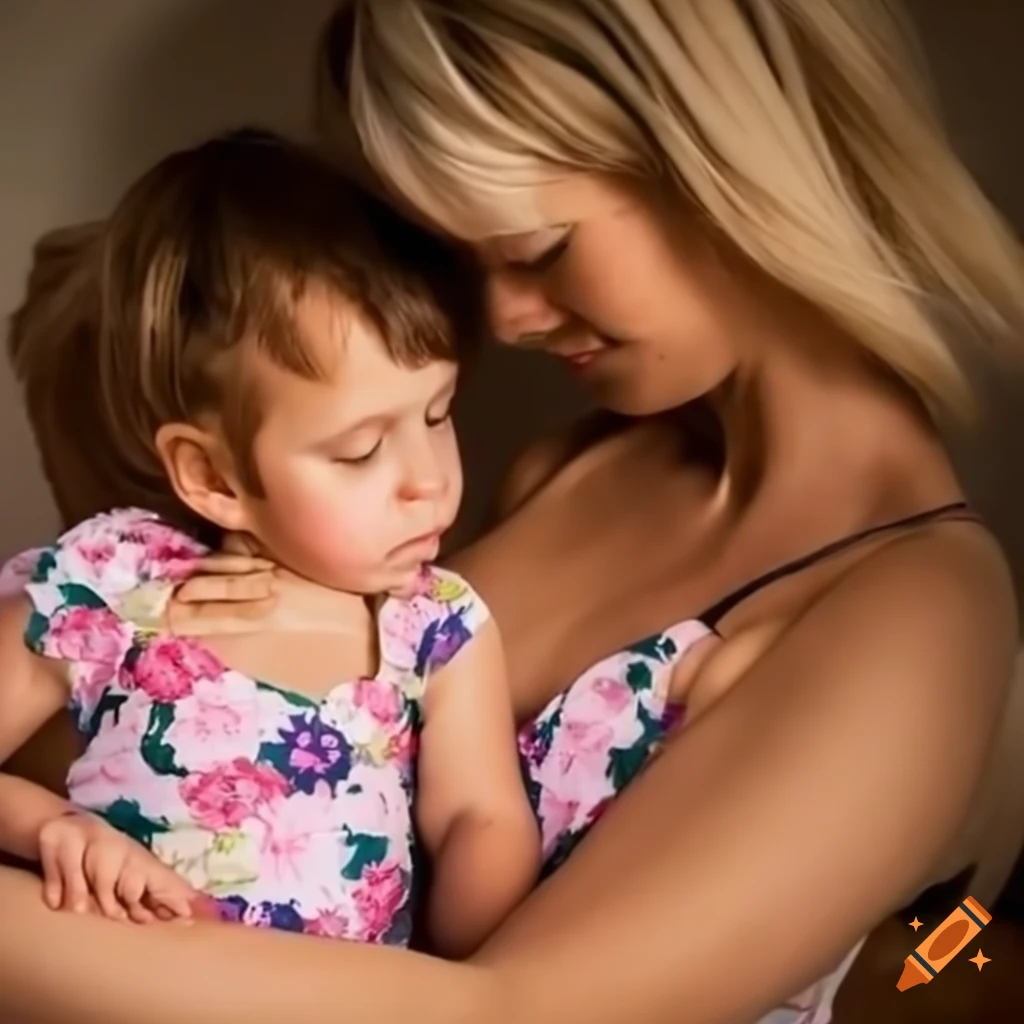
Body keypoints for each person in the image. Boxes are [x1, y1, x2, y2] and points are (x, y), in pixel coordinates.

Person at [1, 1, 1023, 1022]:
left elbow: (517, 1011)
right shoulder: (571, 468)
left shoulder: (917, 610)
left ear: (720, 160)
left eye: (536, 248)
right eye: (468, 262)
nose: (501, 320)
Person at [0, 128, 539, 957]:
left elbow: (482, 817)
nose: (428, 479)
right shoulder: (118, 583)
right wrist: (53, 829)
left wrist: (455, 977)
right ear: (212, 476)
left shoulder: (435, 626)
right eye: (360, 450)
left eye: (438, 415)